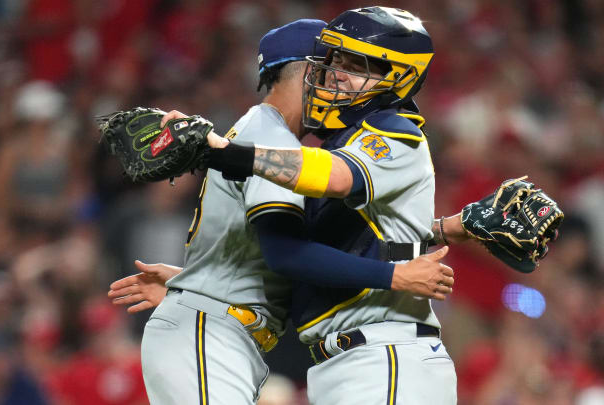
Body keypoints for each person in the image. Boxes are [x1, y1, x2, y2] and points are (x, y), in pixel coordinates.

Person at [121, 19, 455, 405]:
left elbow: (317, 236)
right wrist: (394, 275)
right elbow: (287, 252)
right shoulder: (272, 138)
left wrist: (194, 279)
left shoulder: (273, 138)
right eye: (334, 64)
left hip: (341, 350)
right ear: (312, 70)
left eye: (348, 65)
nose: (338, 77)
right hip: (219, 334)